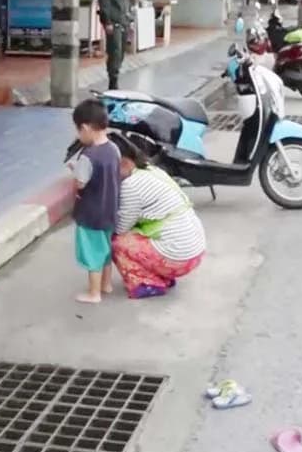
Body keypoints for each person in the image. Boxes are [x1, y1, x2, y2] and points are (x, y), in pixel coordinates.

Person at [110, 134, 206, 299]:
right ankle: (161, 275)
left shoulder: (130, 186)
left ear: (123, 162)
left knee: (116, 242)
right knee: (136, 234)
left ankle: (148, 283)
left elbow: (121, 227)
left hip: (179, 257)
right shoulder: (151, 170)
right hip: (194, 252)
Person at [68, 99, 121, 304]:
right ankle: (106, 285)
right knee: (105, 250)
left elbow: (80, 183)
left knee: (92, 254)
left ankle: (93, 293)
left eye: (78, 130)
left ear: (86, 127)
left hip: (90, 213)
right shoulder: (114, 149)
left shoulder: (88, 156)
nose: (79, 135)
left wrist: (75, 172)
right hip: (109, 210)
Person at [97, 0, 131, 90]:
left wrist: (130, 17)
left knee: (122, 51)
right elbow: (104, 0)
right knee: (115, 51)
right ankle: (113, 81)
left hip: (123, 19)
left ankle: (115, 75)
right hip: (113, 20)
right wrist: (107, 21)